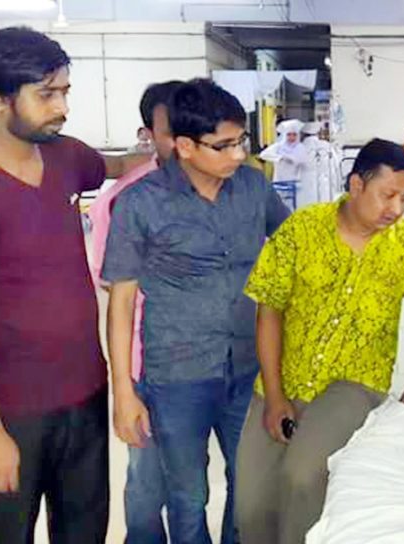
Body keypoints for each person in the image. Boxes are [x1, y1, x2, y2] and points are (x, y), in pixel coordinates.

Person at [0, 26, 149, 543]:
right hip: (11, 409)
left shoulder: (65, 155)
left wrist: (168, 154)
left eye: (64, 91)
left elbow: (114, 166)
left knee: (84, 533)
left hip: (84, 395)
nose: (61, 106)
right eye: (46, 94)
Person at [235, 138, 404, 544]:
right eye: (387, 195)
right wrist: (274, 395)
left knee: (302, 475)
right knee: (250, 503)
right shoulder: (303, 229)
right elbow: (270, 309)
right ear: (356, 185)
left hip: (355, 384)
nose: (396, 209)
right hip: (285, 375)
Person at [103, 78, 290, 544]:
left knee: (247, 485)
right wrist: (123, 392)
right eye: (223, 146)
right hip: (177, 373)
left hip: (248, 367)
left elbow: (293, 246)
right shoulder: (140, 204)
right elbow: (121, 303)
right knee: (187, 495)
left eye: (241, 142)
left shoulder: (253, 187)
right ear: (184, 146)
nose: (237, 155)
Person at [87, 79, 182, 544]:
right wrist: (124, 389)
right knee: (148, 482)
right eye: (172, 129)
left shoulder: (225, 185)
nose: (186, 140)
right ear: (148, 133)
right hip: (152, 364)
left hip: (214, 363)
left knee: (197, 482)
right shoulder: (127, 199)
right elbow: (117, 295)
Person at [300, 121, 341, 204]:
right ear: (318, 133)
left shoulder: (300, 148)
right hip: (325, 186)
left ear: (303, 134)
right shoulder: (327, 146)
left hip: (305, 186)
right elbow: (336, 165)